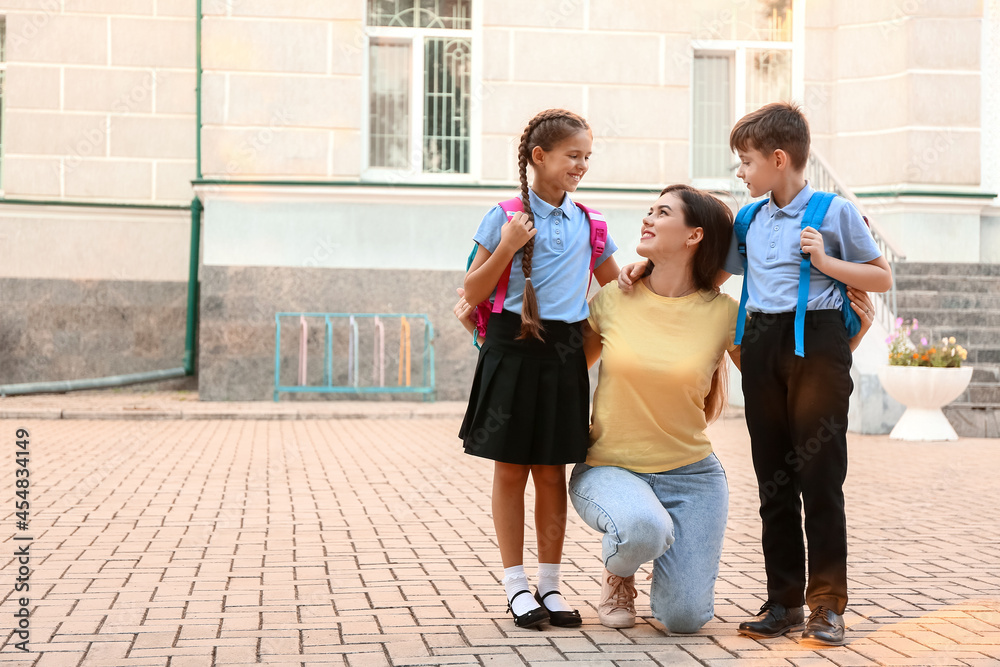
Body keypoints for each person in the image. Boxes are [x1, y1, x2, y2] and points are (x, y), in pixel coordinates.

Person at [620, 102, 891, 646]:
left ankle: (827, 606)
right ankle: (784, 601)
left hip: (816, 343)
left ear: (779, 158)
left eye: (745, 162)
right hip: (761, 343)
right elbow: (711, 274)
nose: (739, 173)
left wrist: (827, 263)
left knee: (820, 479)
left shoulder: (834, 213)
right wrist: (648, 268)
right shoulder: (749, 218)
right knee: (774, 480)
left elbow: (880, 277)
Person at [577, 185, 875, 635]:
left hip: (691, 477)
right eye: (650, 210)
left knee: (684, 620)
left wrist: (850, 338)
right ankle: (622, 570)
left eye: (661, 212)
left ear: (694, 236)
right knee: (641, 528)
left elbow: (782, 379)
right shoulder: (614, 298)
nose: (648, 218)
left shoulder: (726, 315)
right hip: (610, 468)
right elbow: (562, 376)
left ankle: (661, 551)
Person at [458, 108, 620, 629]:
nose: (582, 165)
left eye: (587, 157)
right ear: (539, 157)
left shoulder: (590, 223)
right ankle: (516, 587)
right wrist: (507, 245)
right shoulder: (503, 214)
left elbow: (617, 292)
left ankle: (550, 587)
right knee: (512, 469)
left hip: (564, 353)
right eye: (574, 156)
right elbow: (472, 291)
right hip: (512, 348)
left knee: (552, 471)